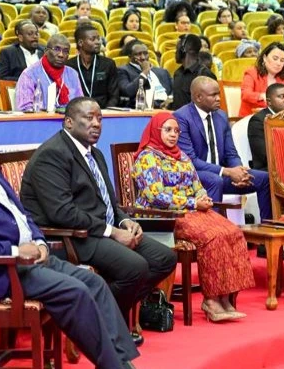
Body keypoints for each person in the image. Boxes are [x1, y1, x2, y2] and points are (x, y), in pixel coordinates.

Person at [0, 102, 140, 369]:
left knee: (93, 283)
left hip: (28, 260)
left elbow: (22, 214)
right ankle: (115, 366)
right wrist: (15, 251)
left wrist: (38, 241)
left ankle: (121, 363)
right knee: (76, 291)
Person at [19, 97, 176, 345]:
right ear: (69, 122)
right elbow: (62, 212)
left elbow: (109, 203)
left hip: (99, 229)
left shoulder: (95, 153)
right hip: (71, 236)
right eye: (88, 118)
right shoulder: (52, 155)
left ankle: (102, 317)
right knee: (134, 267)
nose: (96, 124)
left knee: (164, 258)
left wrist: (125, 222)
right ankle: (103, 326)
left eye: (100, 118)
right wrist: (112, 232)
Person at [133, 112, 255, 321]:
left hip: (193, 211)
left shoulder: (182, 156)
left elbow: (196, 186)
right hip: (165, 217)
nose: (173, 135)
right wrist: (191, 203)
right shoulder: (148, 157)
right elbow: (154, 195)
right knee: (213, 237)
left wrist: (203, 198)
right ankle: (211, 301)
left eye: (176, 131)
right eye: (168, 130)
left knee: (233, 232)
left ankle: (226, 298)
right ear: (155, 130)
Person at [174, 76, 276, 239]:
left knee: (264, 179)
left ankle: (267, 237)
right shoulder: (182, 117)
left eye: (218, 94)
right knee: (215, 180)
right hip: (195, 176)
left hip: (222, 174)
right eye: (213, 95)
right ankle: (212, 237)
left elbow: (231, 153)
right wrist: (227, 172)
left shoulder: (221, 116)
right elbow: (190, 160)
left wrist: (239, 170)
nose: (218, 98)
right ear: (198, 97)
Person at [16, 34, 83, 111]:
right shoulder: (29, 74)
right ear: (46, 51)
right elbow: (25, 110)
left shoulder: (72, 74)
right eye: (56, 49)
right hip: (41, 121)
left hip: (69, 120)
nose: (61, 55)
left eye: (65, 51)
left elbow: (80, 104)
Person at [65, 24, 119, 109]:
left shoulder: (108, 64)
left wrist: (107, 112)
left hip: (103, 111)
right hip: (78, 112)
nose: (98, 42)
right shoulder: (69, 66)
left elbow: (114, 95)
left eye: (98, 38)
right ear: (80, 43)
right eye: (92, 39)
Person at [247, 83, 284, 171]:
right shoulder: (259, 120)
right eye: (282, 97)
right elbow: (264, 154)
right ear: (269, 102)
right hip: (268, 168)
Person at [240, 42, 284, 117]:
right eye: (275, 59)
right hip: (252, 117)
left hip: (277, 119)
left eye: (282, 60)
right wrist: (262, 97)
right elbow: (245, 95)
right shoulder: (251, 73)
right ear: (265, 58)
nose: (278, 63)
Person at [118, 40, 173, 108]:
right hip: (144, 109)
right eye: (138, 54)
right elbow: (128, 92)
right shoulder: (123, 71)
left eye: (145, 53)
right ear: (130, 56)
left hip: (167, 108)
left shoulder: (162, 72)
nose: (143, 57)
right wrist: (145, 72)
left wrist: (170, 99)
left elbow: (175, 89)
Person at [172, 34, 217, 111]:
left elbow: (212, 106)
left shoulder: (204, 74)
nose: (175, 52)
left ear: (184, 50)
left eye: (177, 49)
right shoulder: (177, 73)